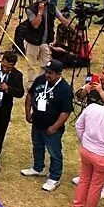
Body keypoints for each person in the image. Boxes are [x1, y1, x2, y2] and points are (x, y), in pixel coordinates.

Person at [22, 59, 74, 192]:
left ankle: (55, 178)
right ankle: (38, 168)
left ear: (58, 74)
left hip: (52, 128)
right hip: (37, 122)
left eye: (50, 73)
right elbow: (30, 94)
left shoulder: (65, 89)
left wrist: (55, 127)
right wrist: (28, 112)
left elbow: (66, 111)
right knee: (37, 146)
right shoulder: (40, 80)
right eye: (46, 71)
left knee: (54, 152)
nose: (47, 75)